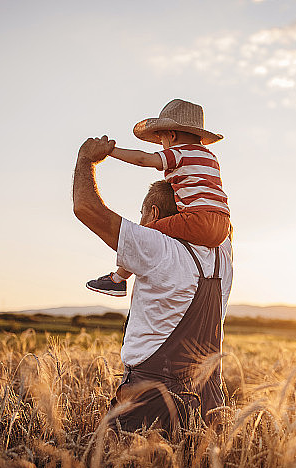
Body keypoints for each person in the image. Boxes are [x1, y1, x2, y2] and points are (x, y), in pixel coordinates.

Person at [72, 135, 233, 434]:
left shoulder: (157, 247)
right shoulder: (223, 252)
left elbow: (85, 207)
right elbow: (218, 218)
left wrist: (86, 160)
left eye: (142, 215)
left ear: (154, 215)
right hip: (210, 402)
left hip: (150, 400)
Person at [85, 99, 230, 297]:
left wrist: (110, 152)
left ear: (171, 135)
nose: (162, 146)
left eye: (161, 140)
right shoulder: (210, 157)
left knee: (148, 233)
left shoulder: (179, 153)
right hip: (222, 226)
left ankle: (117, 279)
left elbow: (143, 159)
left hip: (198, 220)